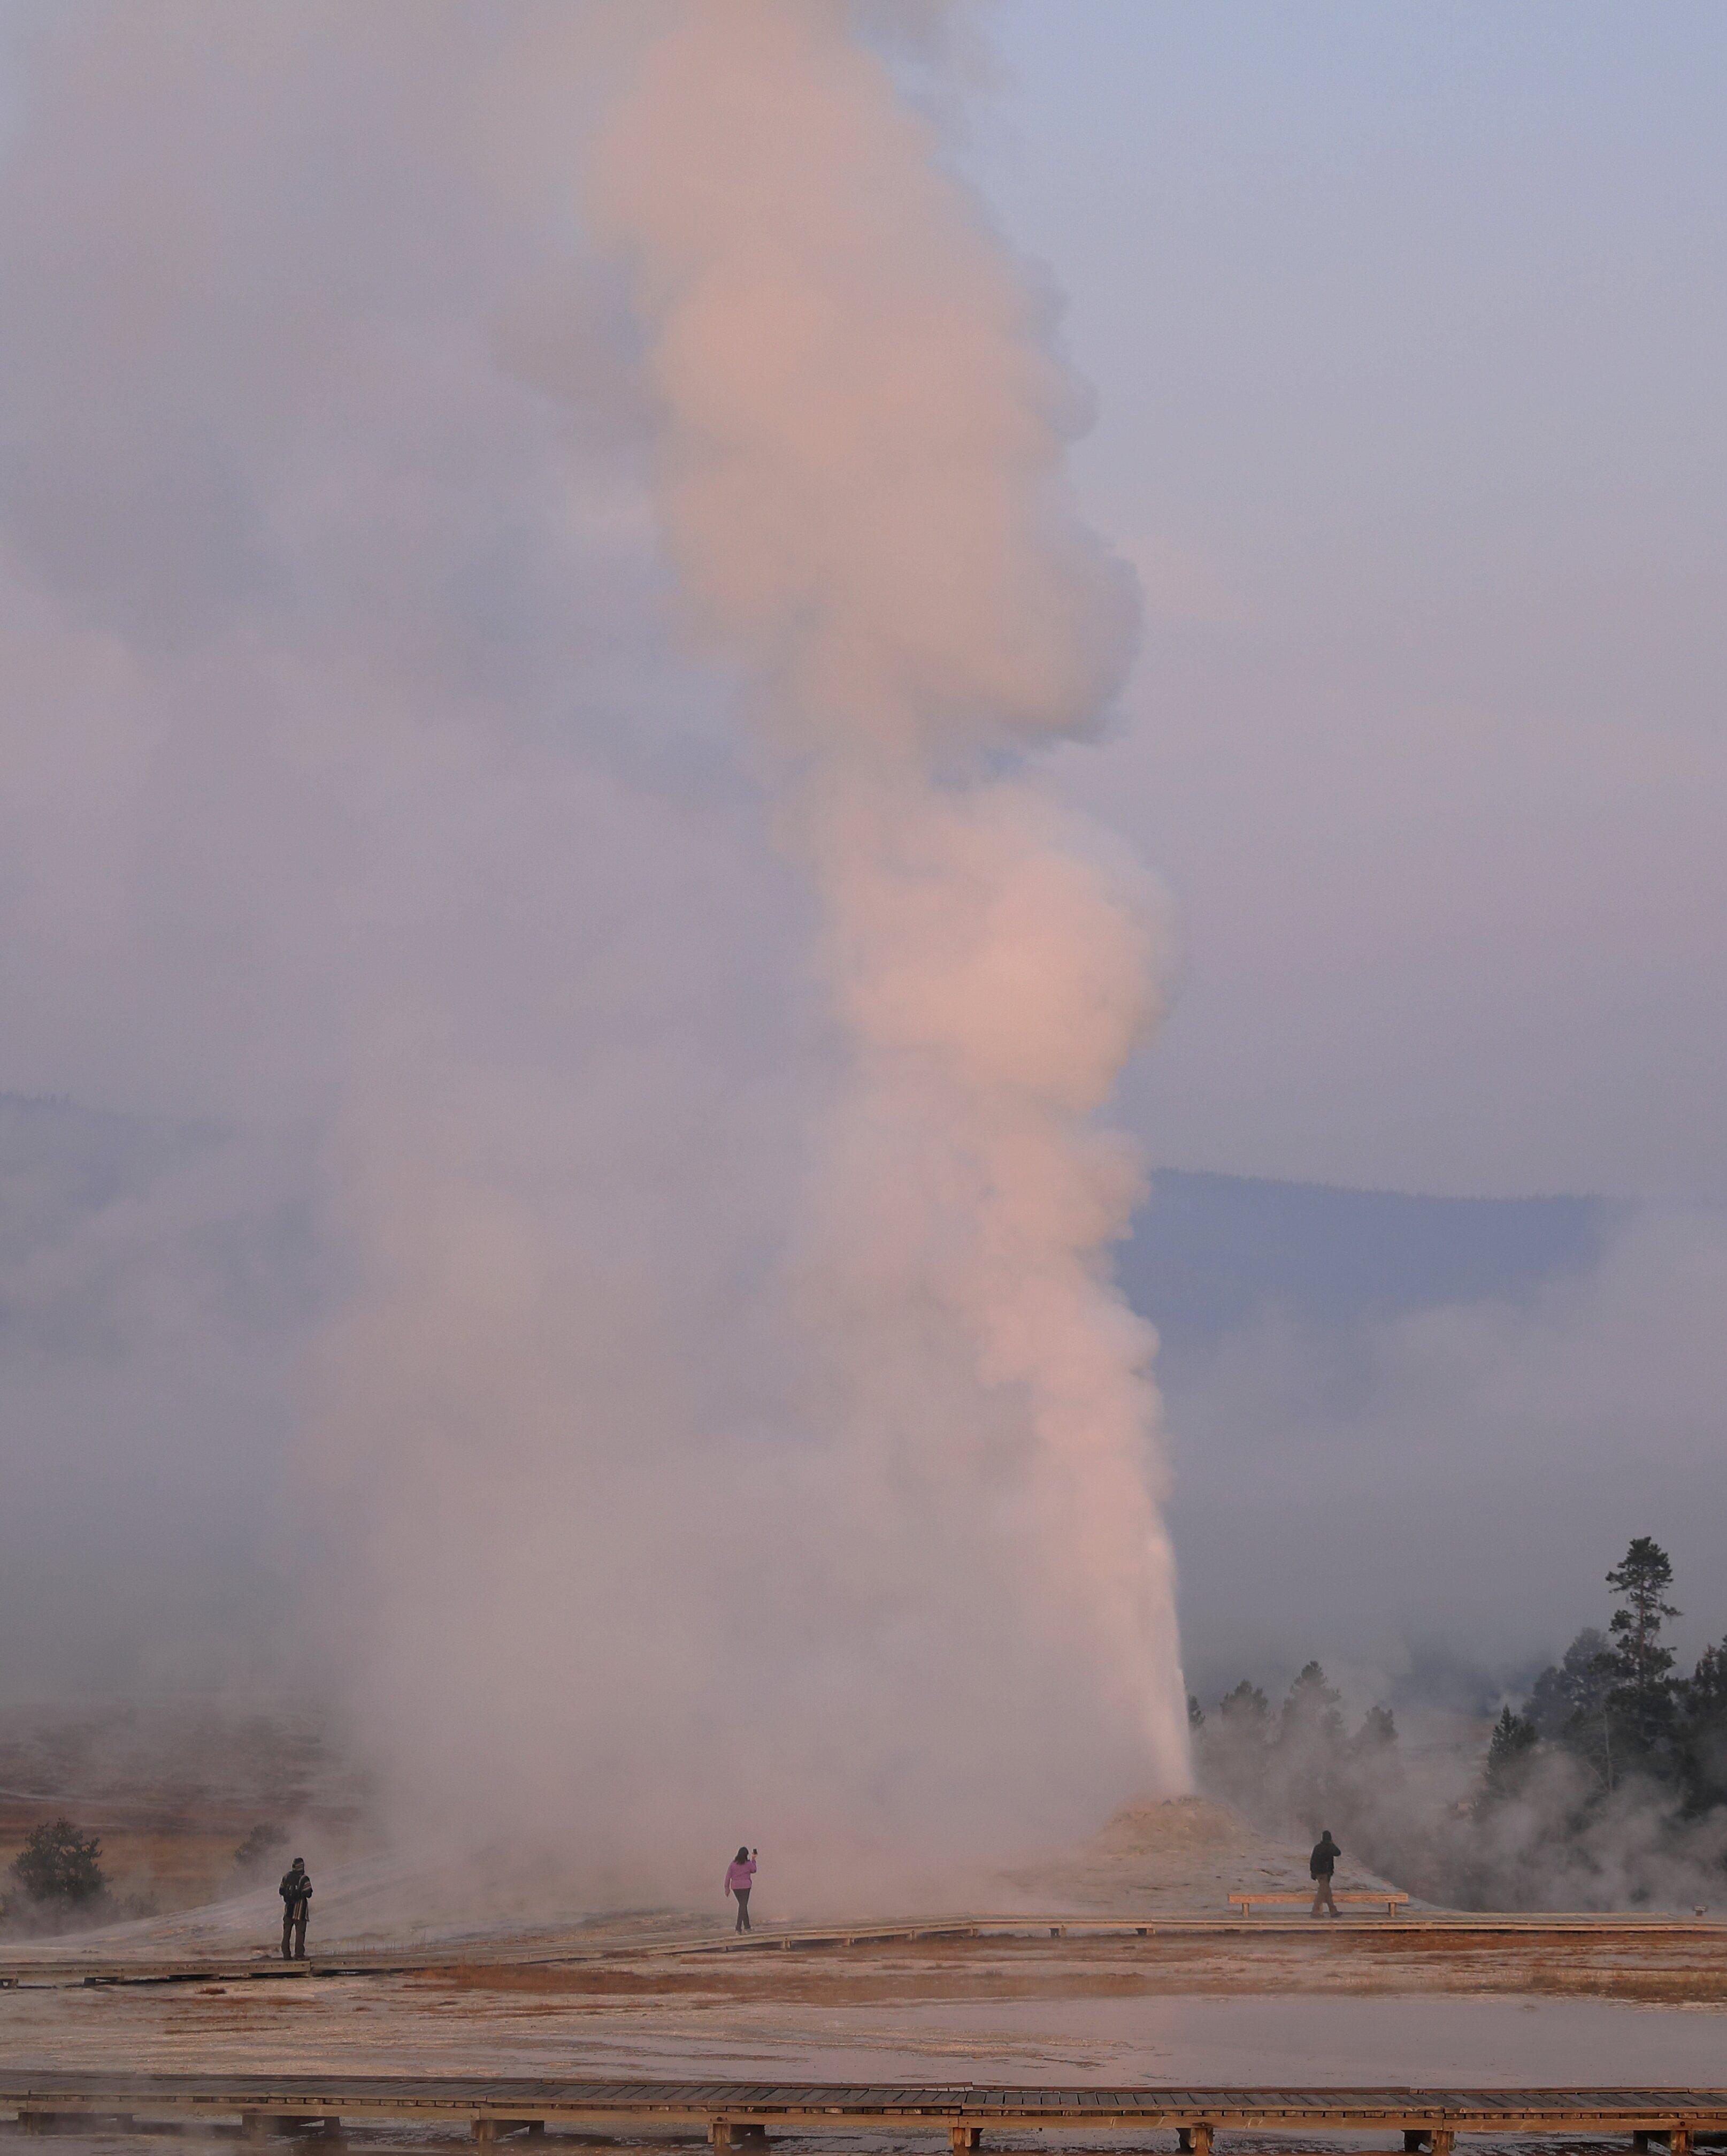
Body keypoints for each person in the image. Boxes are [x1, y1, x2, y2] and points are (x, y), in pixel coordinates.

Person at [280, 1857, 313, 1959]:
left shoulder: (286, 1876)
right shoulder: (304, 1879)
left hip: (288, 1911)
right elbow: (309, 1893)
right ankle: (299, 1955)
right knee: (300, 1934)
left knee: (286, 1933)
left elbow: (281, 1891)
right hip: (300, 1911)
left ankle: (286, 1954)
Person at [724, 1845, 757, 1933]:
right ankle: (738, 1929)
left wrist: (727, 1889)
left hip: (735, 1888)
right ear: (746, 1855)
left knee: (743, 1906)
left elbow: (728, 1877)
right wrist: (753, 1859)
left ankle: (747, 1927)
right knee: (743, 1906)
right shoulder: (749, 1863)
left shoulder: (733, 1864)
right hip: (746, 1887)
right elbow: (754, 1870)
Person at [1309, 1829, 1341, 1918]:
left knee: (1327, 1893)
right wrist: (1333, 1844)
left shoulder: (1318, 1847)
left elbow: (1313, 1860)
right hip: (1325, 1874)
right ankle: (1315, 1911)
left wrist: (1313, 1872)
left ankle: (1333, 1911)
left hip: (1319, 1874)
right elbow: (1338, 1853)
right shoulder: (1330, 1847)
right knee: (1322, 1893)